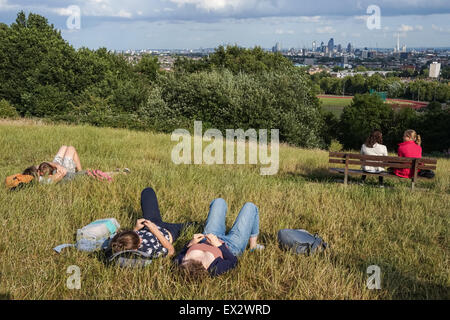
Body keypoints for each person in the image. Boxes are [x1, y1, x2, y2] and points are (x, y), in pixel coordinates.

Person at [175, 198, 264, 279]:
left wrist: (191, 243)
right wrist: (219, 245)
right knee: (250, 207)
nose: (184, 259)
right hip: (231, 245)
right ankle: (253, 246)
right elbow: (233, 261)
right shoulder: (214, 269)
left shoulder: (181, 262)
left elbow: (181, 253)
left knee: (218, 202)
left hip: (208, 237)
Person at [109, 188, 188, 258]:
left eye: (136, 235)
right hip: (170, 231)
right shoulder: (147, 251)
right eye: (139, 239)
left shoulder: (126, 242)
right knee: (195, 226)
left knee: (147, 191)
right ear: (135, 249)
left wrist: (136, 229)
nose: (141, 238)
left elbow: (130, 238)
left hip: (150, 224)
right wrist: (155, 231)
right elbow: (171, 251)